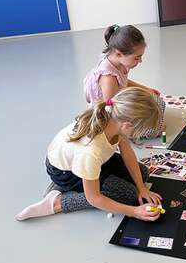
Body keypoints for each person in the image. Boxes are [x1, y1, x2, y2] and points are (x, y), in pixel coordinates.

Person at [16, 87, 163, 221]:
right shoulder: (91, 151)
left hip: (87, 160)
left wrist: (142, 188)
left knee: (142, 174)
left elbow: (128, 155)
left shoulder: (115, 119)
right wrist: (134, 211)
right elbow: (93, 198)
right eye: (141, 131)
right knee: (127, 195)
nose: (141, 135)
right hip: (65, 172)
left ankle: (78, 181)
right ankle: (57, 202)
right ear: (128, 125)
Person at [84, 24, 165, 138]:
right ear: (118, 53)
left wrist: (146, 89)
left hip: (119, 104)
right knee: (155, 127)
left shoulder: (118, 61)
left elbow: (123, 81)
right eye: (137, 57)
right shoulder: (108, 79)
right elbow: (111, 113)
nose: (140, 61)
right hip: (109, 118)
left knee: (158, 103)